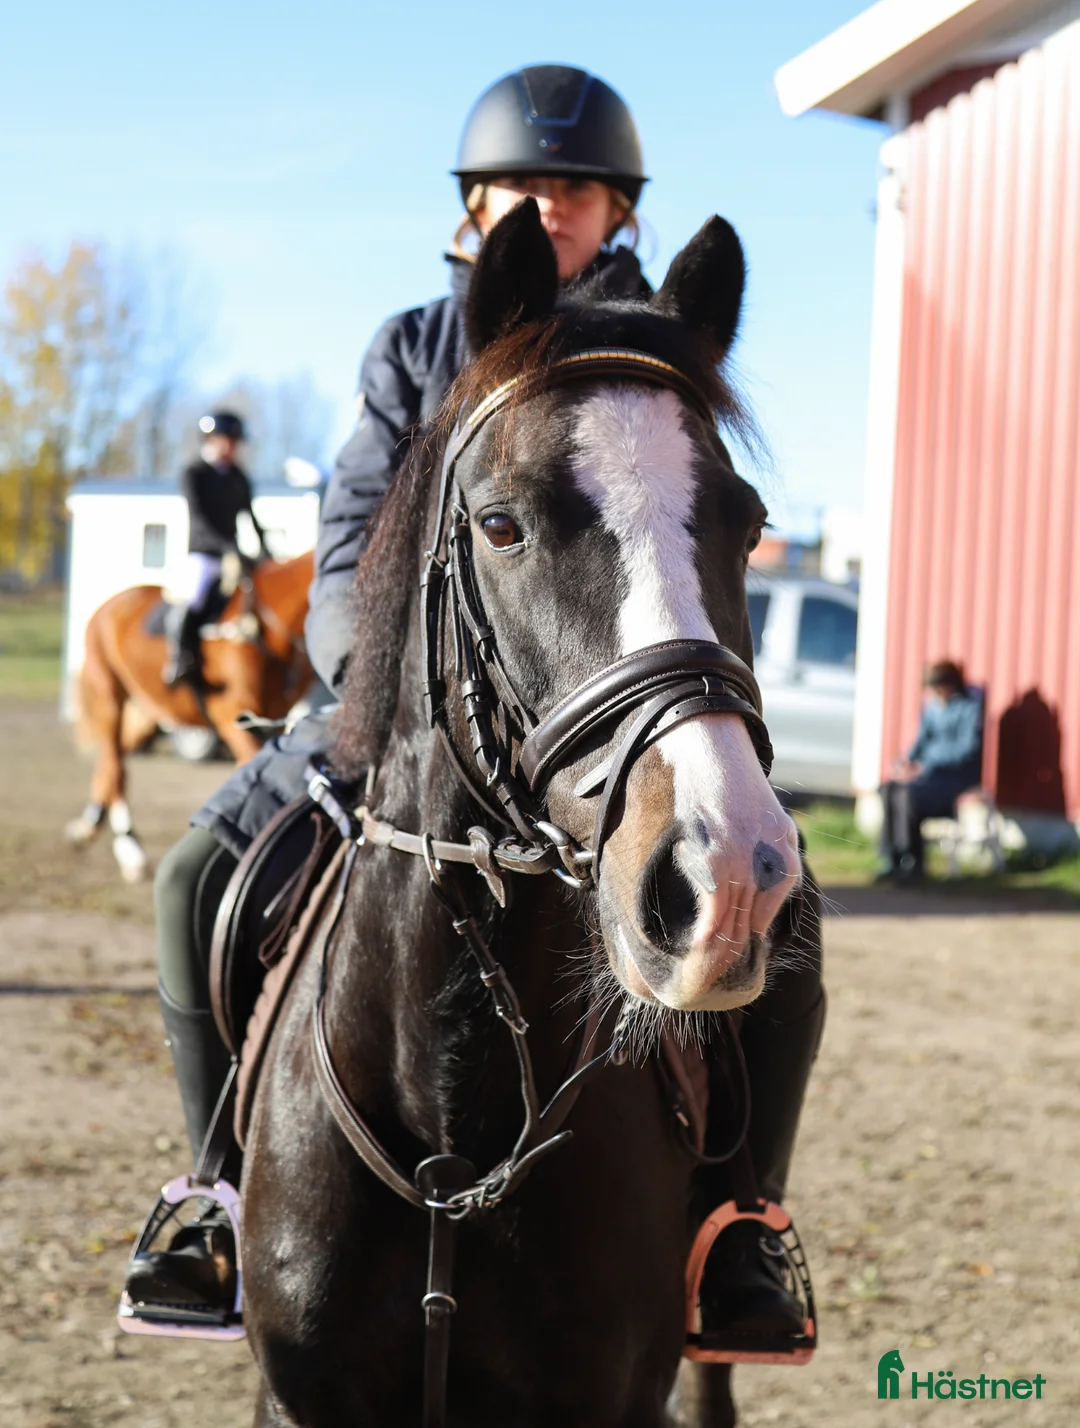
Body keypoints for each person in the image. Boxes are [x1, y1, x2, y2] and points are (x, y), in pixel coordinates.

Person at [122, 65, 825, 1357]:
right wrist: (369, 695)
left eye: (577, 186)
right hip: (390, 710)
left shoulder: (652, 355)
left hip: (588, 729)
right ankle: (217, 1192)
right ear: (477, 207)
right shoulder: (412, 347)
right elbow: (346, 542)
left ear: (618, 212)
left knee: (785, 912)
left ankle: (737, 1221)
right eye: (523, 184)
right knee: (193, 877)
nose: (547, 203)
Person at [162, 411, 269, 687]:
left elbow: (251, 517)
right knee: (195, 594)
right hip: (203, 553)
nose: (233, 447)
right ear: (211, 440)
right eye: (228, 440)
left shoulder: (238, 477)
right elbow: (199, 518)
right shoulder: (194, 474)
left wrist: (265, 551)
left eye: (236, 442)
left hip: (232, 554)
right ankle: (179, 658)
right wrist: (227, 547)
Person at [878, 660, 984, 882]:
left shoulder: (969, 706)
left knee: (909, 795)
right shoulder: (932, 706)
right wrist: (905, 762)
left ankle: (913, 861)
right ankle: (891, 857)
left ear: (950, 684)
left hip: (954, 777)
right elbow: (920, 742)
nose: (934, 692)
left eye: (937, 687)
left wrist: (927, 763)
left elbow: (966, 749)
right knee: (889, 788)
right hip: (927, 776)